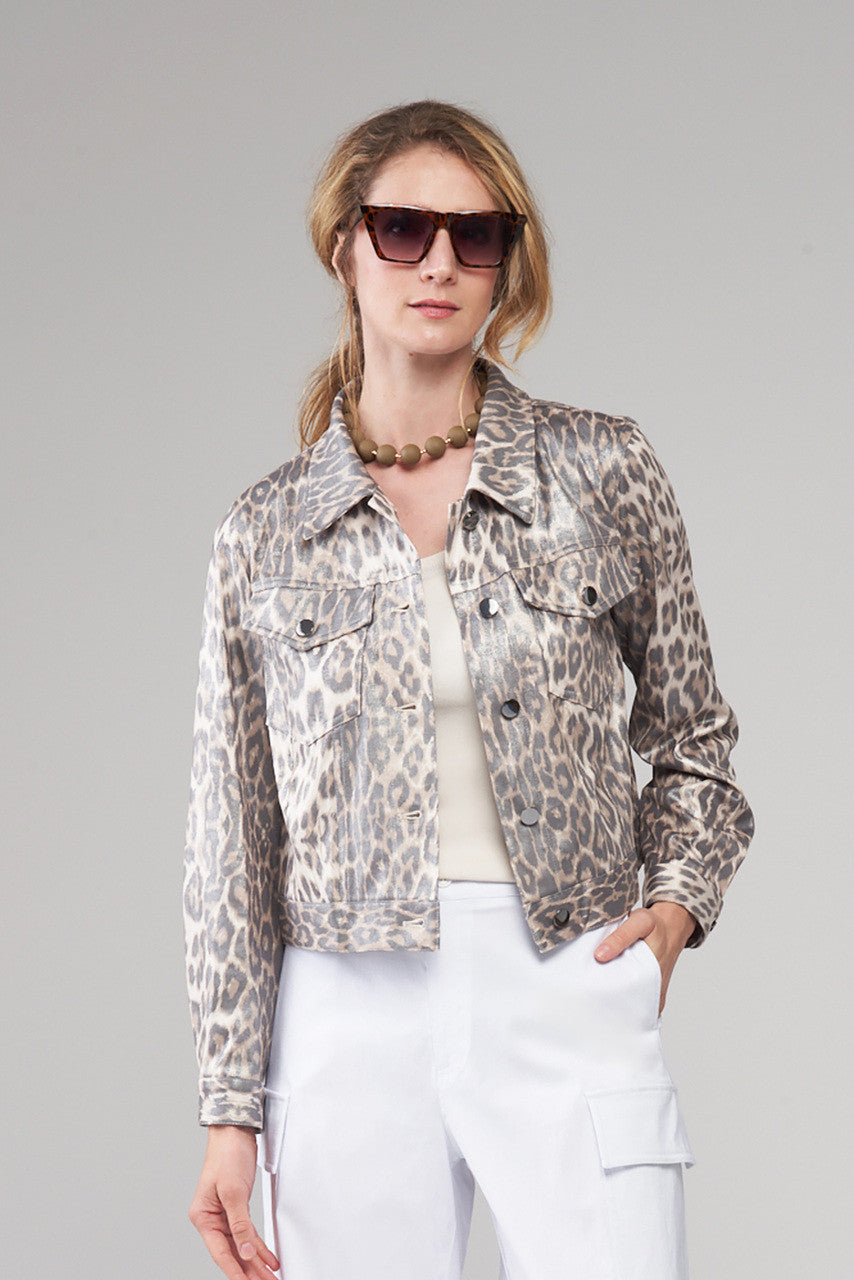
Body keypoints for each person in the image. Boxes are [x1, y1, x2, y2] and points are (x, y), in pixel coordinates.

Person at [183, 98, 755, 1280]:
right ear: (343, 246)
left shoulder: (601, 469)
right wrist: (230, 1107)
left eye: (474, 235)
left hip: (564, 968)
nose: (438, 262)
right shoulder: (265, 531)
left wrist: (671, 914)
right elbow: (231, 835)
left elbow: (694, 735)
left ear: (506, 261)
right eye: (402, 229)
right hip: (342, 1003)